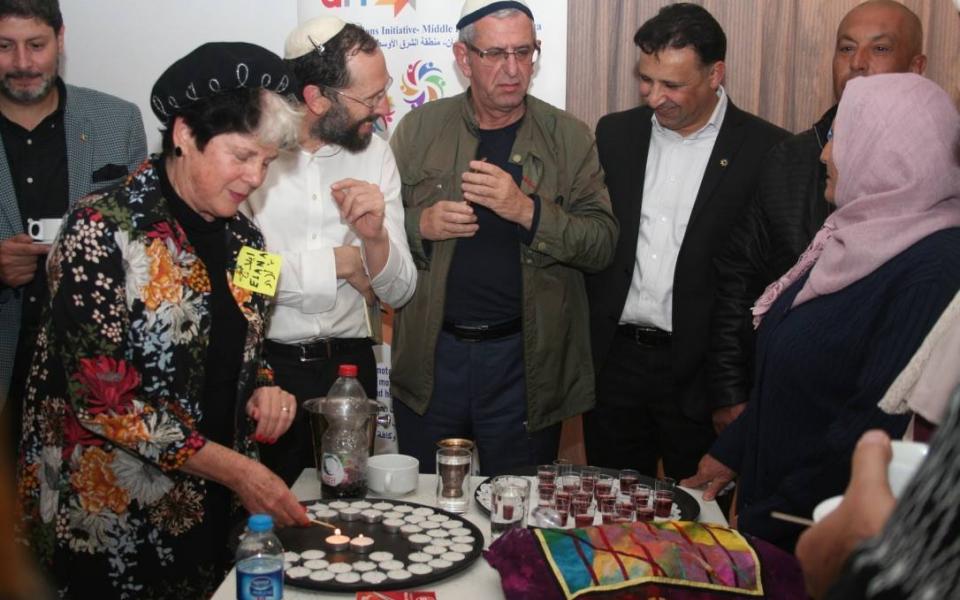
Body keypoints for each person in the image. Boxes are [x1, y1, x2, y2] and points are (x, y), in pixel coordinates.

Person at [16, 42, 309, 598]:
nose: (255, 178)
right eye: (242, 155)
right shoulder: (99, 231)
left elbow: (251, 344)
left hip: (214, 517)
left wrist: (269, 389)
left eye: (267, 163)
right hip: (110, 524)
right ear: (182, 133)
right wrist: (241, 472)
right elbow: (106, 403)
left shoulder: (251, 240)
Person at [682, 73, 960, 552]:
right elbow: (800, 377)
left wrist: (767, 523)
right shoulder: (852, 234)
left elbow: (870, 432)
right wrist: (730, 454)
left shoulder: (935, 270)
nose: (824, 155)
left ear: (888, 150)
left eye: (838, 138)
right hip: (781, 513)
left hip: (824, 534)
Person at [389, 0, 617, 475]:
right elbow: (377, 233)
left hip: (524, 364)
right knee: (425, 511)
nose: (513, 70)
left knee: (515, 513)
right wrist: (419, 226)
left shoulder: (570, 137)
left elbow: (601, 244)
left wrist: (526, 211)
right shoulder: (419, 129)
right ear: (463, 56)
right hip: (433, 359)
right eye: (495, 54)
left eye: (525, 52)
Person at [584, 3, 789, 479]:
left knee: (698, 529)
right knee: (607, 518)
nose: (654, 97)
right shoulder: (615, 134)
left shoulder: (767, 150)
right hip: (616, 365)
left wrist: (734, 388)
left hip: (703, 374)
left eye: (672, 84)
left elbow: (765, 276)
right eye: (646, 79)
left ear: (716, 74)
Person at [708, 0, 926, 433]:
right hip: (784, 401)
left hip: (882, 419)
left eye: (879, 50)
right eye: (846, 49)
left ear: (916, 67)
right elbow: (739, 278)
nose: (858, 64)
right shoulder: (790, 158)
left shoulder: (934, 171)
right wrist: (731, 392)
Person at [244, 17, 416, 486]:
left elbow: (398, 292)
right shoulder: (252, 151)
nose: (383, 109)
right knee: (273, 512)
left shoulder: (376, 154)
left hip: (350, 368)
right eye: (371, 97)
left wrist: (376, 238)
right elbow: (243, 276)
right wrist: (338, 265)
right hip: (267, 373)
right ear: (317, 98)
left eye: (384, 92)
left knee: (352, 516)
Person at [0, 0, 146, 451]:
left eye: (36, 45)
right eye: (4, 46)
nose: (23, 63)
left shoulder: (116, 120)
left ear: (61, 40)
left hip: (95, 379)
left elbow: (147, 243)